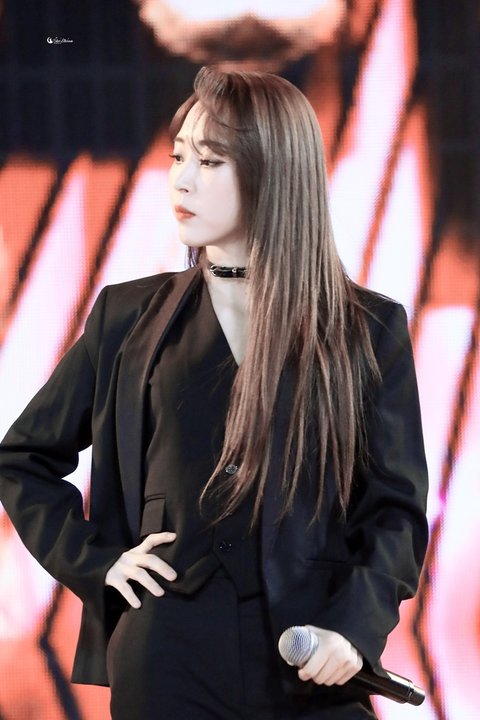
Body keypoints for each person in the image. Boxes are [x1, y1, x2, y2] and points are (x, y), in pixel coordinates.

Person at [0, 66, 428, 719]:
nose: (181, 179)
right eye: (178, 157)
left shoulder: (366, 329)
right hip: (166, 655)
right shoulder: (126, 319)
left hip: (309, 653)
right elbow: (22, 458)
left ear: (271, 173)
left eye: (209, 161)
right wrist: (98, 564)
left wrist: (354, 629)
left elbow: (395, 509)